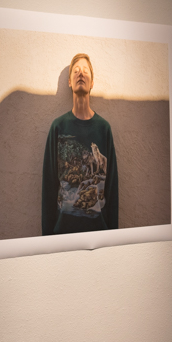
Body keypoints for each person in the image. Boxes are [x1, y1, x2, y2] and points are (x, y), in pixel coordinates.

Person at [42, 53, 119, 235]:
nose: (80, 74)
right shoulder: (58, 127)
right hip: (63, 235)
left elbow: (112, 188)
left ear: (92, 83)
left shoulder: (104, 129)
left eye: (85, 71)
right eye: (76, 71)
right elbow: (48, 187)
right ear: (70, 82)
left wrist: (114, 238)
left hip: (99, 235)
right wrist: (46, 239)